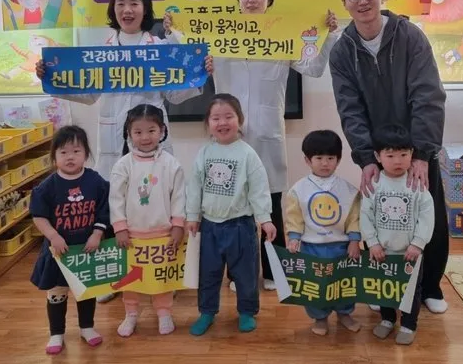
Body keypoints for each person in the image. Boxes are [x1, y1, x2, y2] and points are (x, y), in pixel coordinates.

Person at [35, 0, 212, 303]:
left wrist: (199, 75)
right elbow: (89, 95)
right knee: (112, 203)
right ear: (113, 10)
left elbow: (174, 94)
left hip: (152, 141)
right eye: (120, 3)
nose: (127, 10)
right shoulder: (101, 51)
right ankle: (114, 275)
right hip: (114, 139)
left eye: (134, 3)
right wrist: (52, 79)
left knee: (158, 203)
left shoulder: (160, 48)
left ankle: (162, 273)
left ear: (145, 9)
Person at [329, 0, 449, 314]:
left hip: (415, 148)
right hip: (377, 153)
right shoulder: (342, 51)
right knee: (380, 216)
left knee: (426, 214)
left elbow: (428, 95)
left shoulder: (410, 36)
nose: (362, 0)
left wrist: (422, 153)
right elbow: (349, 109)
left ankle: (430, 286)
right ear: (344, 2)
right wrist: (367, 158)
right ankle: (383, 285)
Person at [212, 0, 340, 292]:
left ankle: (273, 271)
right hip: (230, 139)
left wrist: (330, 36)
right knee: (235, 210)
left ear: (269, 1)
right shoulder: (219, 38)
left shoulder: (282, 37)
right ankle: (238, 274)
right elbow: (190, 64)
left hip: (267, 134)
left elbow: (313, 68)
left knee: (270, 205)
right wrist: (176, 35)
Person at [185, 93, 277, 336]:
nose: (222, 122)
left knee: (246, 273)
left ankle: (246, 312)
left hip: (241, 226)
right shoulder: (204, 153)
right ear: (208, 123)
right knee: (208, 273)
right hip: (210, 227)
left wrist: (265, 219)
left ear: (240, 120)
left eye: (228, 116)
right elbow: (194, 187)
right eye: (216, 118)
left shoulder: (247, 154)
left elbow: (258, 189)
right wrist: (192, 216)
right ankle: (207, 311)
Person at [29, 125, 110, 355]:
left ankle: (87, 327)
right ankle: (56, 333)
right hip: (58, 253)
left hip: (87, 250)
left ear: (86, 153)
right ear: (54, 156)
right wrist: (53, 236)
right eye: (63, 152)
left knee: (86, 291)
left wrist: (97, 234)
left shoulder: (96, 181)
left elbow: (104, 211)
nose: (70, 157)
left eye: (76, 151)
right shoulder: (47, 187)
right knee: (57, 293)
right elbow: (39, 216)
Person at [109, 104, 185, 337]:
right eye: (138, 132)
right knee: (130, 279)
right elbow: (116, 198)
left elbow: (179, 196)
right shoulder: (123, 165)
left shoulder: (171, 164)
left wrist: (178, 225)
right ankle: (131, 314)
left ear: (162, 131)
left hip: (162, 234)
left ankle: (164, 313)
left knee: (161, 277)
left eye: (151, 130)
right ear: (129, 133)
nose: (145, 137)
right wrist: (120, 227)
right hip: (132, 236)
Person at [360, 125, 434, 345]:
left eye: (403, 154)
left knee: (411, 290)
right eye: (390, 155)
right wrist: (372, 243)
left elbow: (427, 216)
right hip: (381, 252)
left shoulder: (416, 184)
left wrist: (418, 244)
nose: (398, 161)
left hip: (410, 253)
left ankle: (409, 324)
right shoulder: (374, 184)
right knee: (384, 287)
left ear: (412, 154)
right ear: (378, 157)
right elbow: (365, 215)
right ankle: (387, 319)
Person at [285, 130, 362, 336]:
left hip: (341, 247)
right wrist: (294, 238)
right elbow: (294, 217)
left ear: (338, 160)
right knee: (316, 284)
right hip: (312, 247)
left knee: (344, 282)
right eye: (319, 158)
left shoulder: (349, 190)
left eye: (330, 158)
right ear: (307, 160)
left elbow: (354, 217)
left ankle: (345, 313)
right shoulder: (298, 190)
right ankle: (320, 317)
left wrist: (354, 240)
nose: (325, 163)